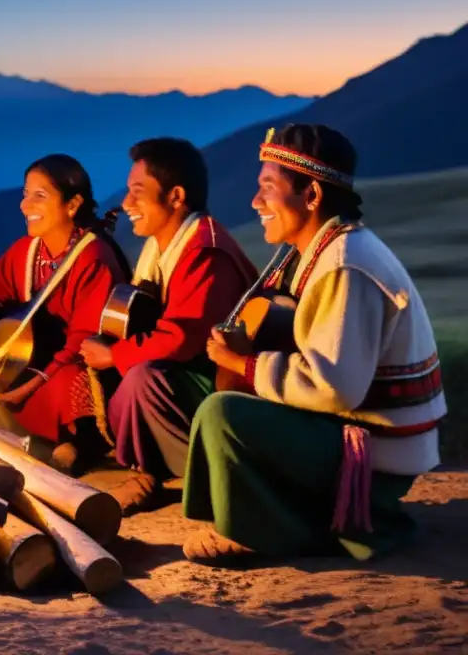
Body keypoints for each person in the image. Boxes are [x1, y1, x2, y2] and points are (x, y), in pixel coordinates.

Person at [186, 124, 446, 565]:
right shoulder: (318, 249)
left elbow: (336, 387)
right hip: (357, 431)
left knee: (221, 411)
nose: (255, 202)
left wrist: (246, 365)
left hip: (371, 453)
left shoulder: (346, 266)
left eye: (268, 187)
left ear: (312, 196)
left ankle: (268, 531)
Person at [79, 138, 258, 511]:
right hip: (191, 376)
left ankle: (185, 473)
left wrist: (115, 355)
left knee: (142, 378)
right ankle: (154, 470)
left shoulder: (205, 252)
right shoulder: (163, 244)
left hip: (224, 390)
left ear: (176, 196)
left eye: (137, 193)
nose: (126, 204)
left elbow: (180, 338)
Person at [0, 154, 133, 473]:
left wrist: (28, 387)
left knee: (71, 381)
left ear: (72, 205)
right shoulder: (25, 251)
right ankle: (32, 441)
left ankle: (77, 444)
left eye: (39, 196)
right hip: (28, 366)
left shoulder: (94, 258)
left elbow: (81, 343)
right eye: (25, 194)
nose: (24, 205)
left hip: (73, 368)